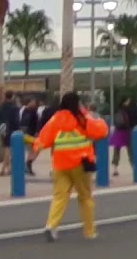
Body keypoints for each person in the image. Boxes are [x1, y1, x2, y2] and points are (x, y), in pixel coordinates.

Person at [33, 92, 108, 242]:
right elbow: (101, 131)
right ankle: (89, 232)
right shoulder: (82, 118)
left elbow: (42, 142)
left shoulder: (55, 119)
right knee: (85, 198)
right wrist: (91, 116)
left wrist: (35, 144)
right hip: (81, 164)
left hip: (60, 165)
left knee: (59, 197)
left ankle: (51, 225)